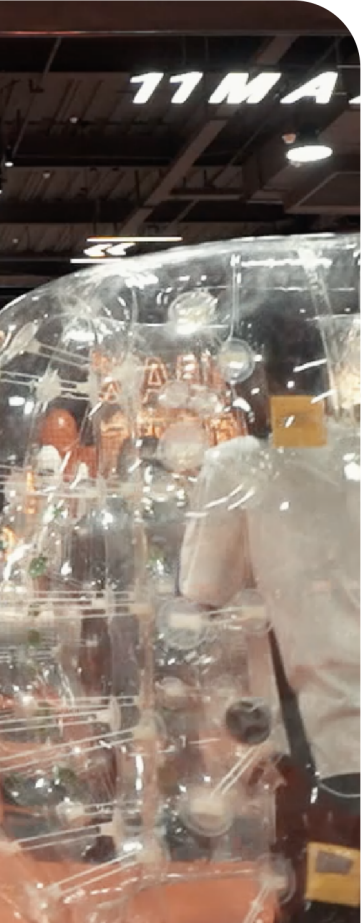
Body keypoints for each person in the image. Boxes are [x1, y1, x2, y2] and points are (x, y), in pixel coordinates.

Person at [179, 298, 359, 922]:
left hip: (318, 741)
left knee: (323, 897)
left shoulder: (240, 465)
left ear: (251, 371)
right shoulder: (357, 456)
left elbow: (203, 588)